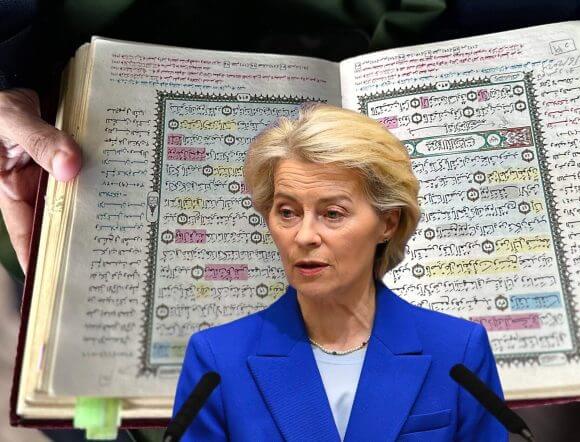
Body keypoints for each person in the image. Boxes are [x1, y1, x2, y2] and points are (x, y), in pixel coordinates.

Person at [172, 103, 507, 441]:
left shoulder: (459, 352)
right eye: (287, 212)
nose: (304, 236)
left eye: (332, 214)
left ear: (388, 223)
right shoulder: (217, 360)